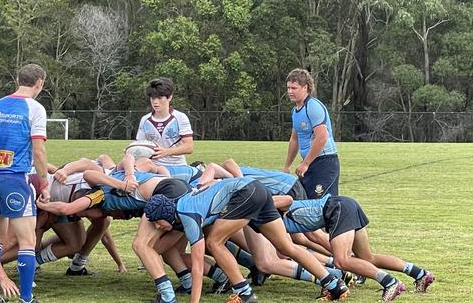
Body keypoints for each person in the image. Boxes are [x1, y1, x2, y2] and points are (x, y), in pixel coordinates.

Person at [142, 177, 350, 303]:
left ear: (167, 214)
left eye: (157, 222)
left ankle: (243, 292)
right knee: (287, 247)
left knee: (214, 243)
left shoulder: (187, 215)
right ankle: (333, 284)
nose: (157, 227)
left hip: (246, 193)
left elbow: (197, 267)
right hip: (256, 190)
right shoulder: (184, 206)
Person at [0, 63, 50, 303]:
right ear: (39, 83)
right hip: (15, 180)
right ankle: (26, 298)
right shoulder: (35, 109)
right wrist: (45, 184)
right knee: (28, 240)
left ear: (18, 80)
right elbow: (38, 152)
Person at [282, 194, 435, 302]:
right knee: (367, 258)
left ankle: (391, 283)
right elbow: (308, 238)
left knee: (342, 261)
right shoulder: (279, 218)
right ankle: (420, 274)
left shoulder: (270, 215)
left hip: (337, 209)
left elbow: (306, 240)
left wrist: (340, 257)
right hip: (345, 204)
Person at [282, 69, 339, 199]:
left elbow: (322, 137)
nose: (290, 91)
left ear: (305, 87)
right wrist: (287, 166)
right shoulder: (295, 111)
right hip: (310, 162)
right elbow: (294, 140)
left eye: (294, 88)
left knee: (322, 204)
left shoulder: (313, 107)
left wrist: (305, 163)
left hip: (324, 162)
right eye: (288, 88)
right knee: (305, 199)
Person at [136, 77, 193, 166]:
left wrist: (167, 152)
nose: (155, 102)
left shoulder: (180, 117)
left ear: (170, 97)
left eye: (159, 98)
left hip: (177, 166)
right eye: (152, 98)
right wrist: (133, 150)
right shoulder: (145, 120)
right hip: (153, 167)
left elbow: (189, 147)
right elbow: (140, 144)